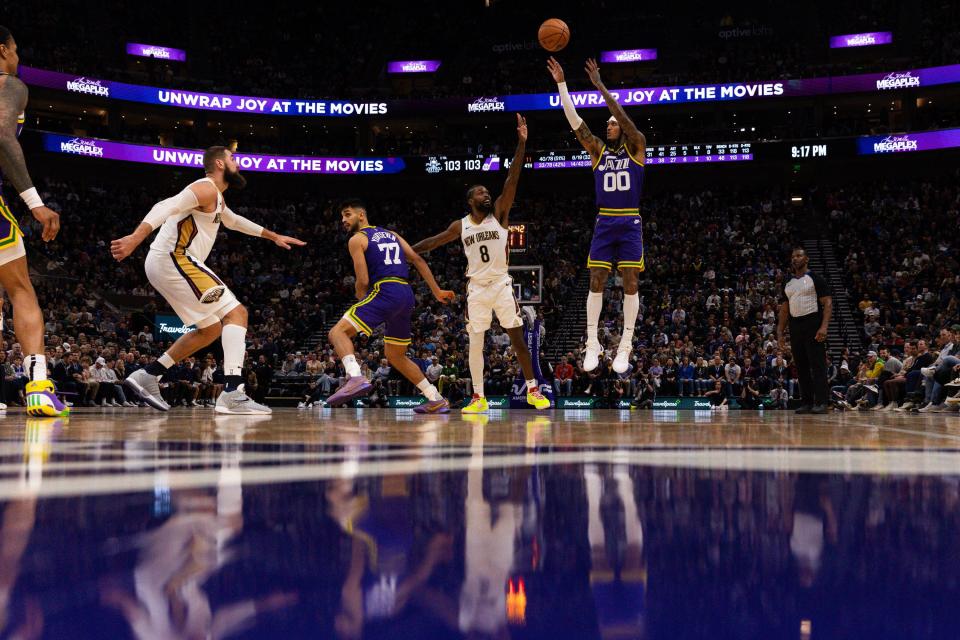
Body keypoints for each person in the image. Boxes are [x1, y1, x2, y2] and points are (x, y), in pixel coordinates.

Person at [111, 146, 305, 414]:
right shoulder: (205, 187)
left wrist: (273, 236)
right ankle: (233, 392)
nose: (238, 163)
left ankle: (149, 374)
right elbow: (165, 205)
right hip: (174, 258)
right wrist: (136, 237)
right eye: (233, 158)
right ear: (219, 163)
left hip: (168, 263)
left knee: (210, 329)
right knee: (237, 313)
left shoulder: (218, 198)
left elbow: (234, 221)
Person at [412, 115, 550, 413]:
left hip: (501, 285)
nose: (486, 194)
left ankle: (533, 390)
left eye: (487, 191)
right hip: (475, 288)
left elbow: (512, 177)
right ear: (470, 200)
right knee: (475, 343)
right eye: (480, 192)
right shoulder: (460, 226)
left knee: (518, 339)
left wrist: (522, 144)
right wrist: (406, 251)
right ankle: (479, 398)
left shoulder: (499, 213)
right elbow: (432, 243)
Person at [546, 56, 646, 374]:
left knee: (630, 281)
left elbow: (626, 122)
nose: (609, 125)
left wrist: (601, 86)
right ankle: (592, 342)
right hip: (605, 219)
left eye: (613, 123)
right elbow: (576, 122)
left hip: (629, 219)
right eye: (607, 124)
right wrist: (562, 84)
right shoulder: (597, 151)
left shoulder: (638, 147)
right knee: (596, 279)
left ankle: (626, 345)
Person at [325, 199, 454, 413]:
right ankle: (435, 398)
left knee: (337, 332)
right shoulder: (392, 235)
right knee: (395, 355)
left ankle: (355, 376)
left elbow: (363, 280)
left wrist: (361, 297)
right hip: (406, 294)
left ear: (361, 215)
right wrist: (437, 291)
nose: (343, 220)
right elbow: (418, 260)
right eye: (342, 217)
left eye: (347, 215)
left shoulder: (357, 239)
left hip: (385, 290)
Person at [0, 26, 68, 416]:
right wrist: (34, 202)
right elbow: (2, 133)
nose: (19, 57)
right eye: (16, 49)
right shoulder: (9, 83)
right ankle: (39, 386)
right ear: (3, 49)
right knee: (20, 288)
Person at [778, 248, 832, 414]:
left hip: (813, 323)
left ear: (806, 259)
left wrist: (824, 327)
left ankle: (822, 402)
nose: (795, 258)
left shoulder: (815, 278)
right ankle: (807, 402)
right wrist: (780, 332)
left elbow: (828, 303)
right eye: (793, 256)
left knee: (817, 365)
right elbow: (785, 310)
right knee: (801, 366)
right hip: (795, 326)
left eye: (799, 255)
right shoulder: (788, 282)